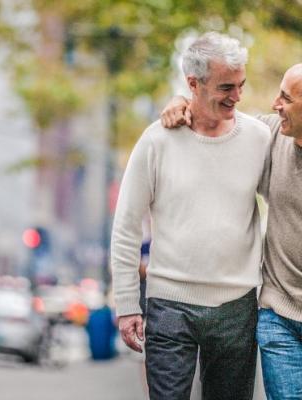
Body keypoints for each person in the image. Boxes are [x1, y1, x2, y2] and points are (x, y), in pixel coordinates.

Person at [111, 31, 271, 400]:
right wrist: (126, 304)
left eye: (241, 85)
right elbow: (126, 227)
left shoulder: (259, 138)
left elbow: (285, 198)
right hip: (169, 304)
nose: (237, 96)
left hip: (236, 306)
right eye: (226, 87)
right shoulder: (157, 141)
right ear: (193, 84)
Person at [160, 63, 302, 400]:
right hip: (280, 317)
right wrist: (182, 101)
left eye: (285, 97)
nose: (274, 104)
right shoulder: (270, 136)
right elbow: (215, 121)